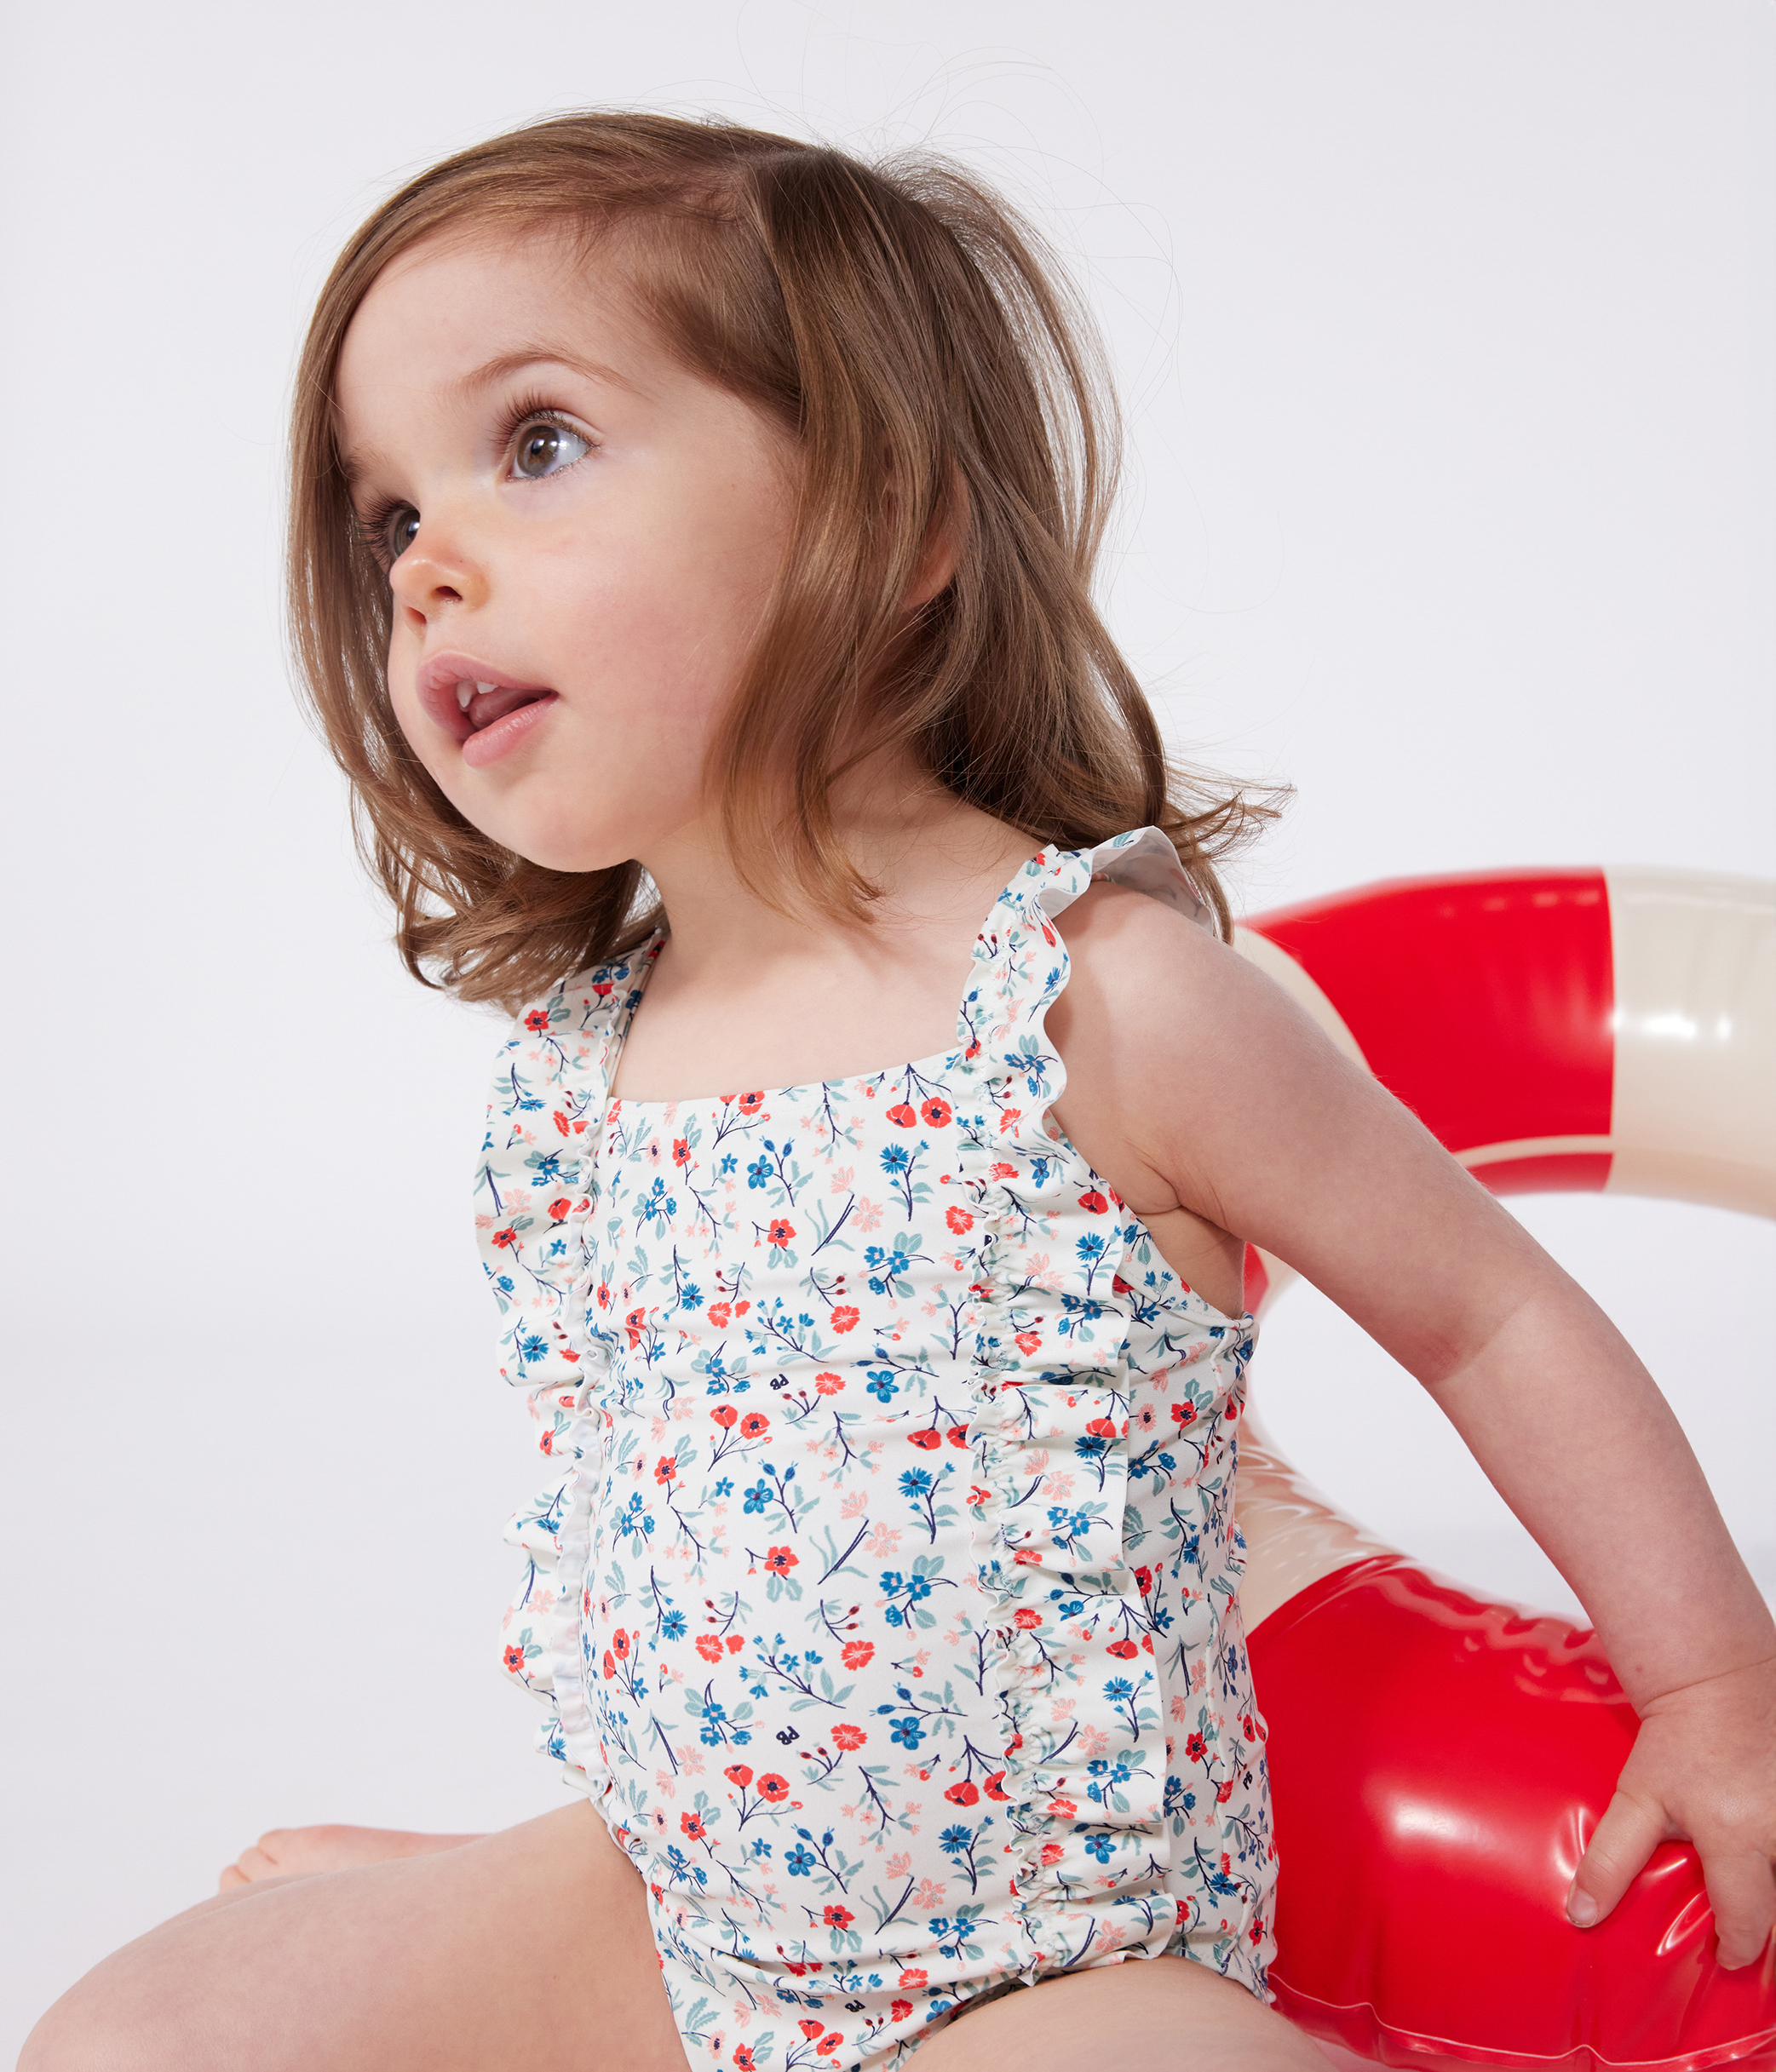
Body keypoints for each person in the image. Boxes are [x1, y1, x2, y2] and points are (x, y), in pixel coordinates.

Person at [21, 110, 1773, 2072]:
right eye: (385, 516)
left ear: (890, 514)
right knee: (126, 2032)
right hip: (669, 1918)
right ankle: (500, 1876)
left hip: (1041, 1977)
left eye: (532, 446)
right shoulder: (586, 1060)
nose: (429, 565)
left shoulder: (1102, 1004)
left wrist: (1711, 1682)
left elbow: (1490, 1307)